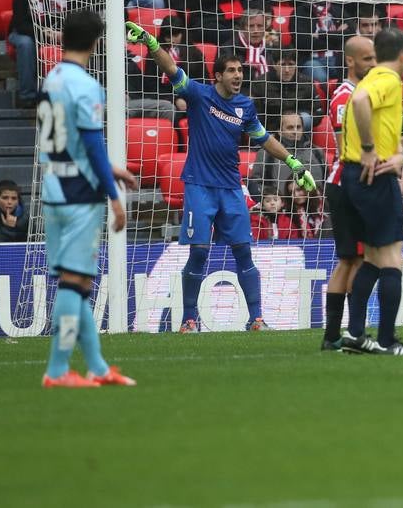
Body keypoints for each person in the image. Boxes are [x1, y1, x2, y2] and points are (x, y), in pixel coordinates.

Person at [125, 20, 318, 333]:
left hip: (231, 188)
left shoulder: (245, 106)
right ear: (217, 75)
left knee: (244, 251)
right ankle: (189, 319)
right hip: (200, 187)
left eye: (240, 70)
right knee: (199, 252)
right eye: (231, 70)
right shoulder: (200, 95)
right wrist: (150, 42)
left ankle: (256, 318)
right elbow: (172, 68)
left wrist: (294, 162)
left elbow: (264, 138)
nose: (238, 75)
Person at [38, 10, 139, 387]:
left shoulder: (53, 77)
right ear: (97, 42)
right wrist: (112, 195)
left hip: (55, 188)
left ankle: (97, 367)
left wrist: (107, 168)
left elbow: (68, 141)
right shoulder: (86, 86)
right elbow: (94, 144)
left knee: (76, 284)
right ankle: (58, 370)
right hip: (80, 194)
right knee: (74, 282)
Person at [340, 27, 403, 356]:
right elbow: (358, 102)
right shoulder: (388, 79)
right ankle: (387, 340)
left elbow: (361, 105)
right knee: (392, 259)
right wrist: (372, 150)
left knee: (373, 258)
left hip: (354, 173)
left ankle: (355, 334)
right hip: (372, 175)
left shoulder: (372, 76)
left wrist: (399, 149)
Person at [319, 35, 375, 351]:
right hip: (348, 185)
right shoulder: (344, 97)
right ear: (351, 61)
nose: (373, 63)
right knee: (355, 260)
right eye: (367, 58)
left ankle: (335, 335)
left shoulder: (362, 94)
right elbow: (346, 150)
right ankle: (349, 333)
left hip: (353, 185)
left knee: (353, 259)